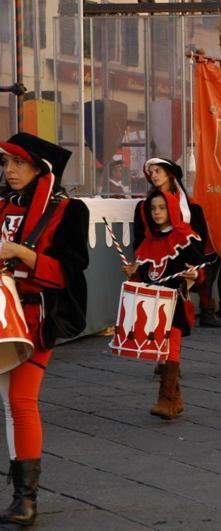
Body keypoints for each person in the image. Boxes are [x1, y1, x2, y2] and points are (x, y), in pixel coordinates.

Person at [0, 133, 89, 526]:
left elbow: (70, 272)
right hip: (1, 311)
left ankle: (26, 498)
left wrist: (21, 253)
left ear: (41, 169)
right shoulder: (1, 203)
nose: (9, 170)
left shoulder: (70, 210)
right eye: (6, 163)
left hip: (34, 317)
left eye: (18, 163)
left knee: (20, 402)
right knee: (9, 405)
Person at [123, 190, 203, 420]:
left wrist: (194, 274)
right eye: (153, 209)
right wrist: (133, 272)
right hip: (153, 303)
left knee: (171, 347)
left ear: (171, 209)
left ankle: (166, 399)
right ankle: (174, 399)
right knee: (161, 348)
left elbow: (199, 269)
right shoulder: (148, 241)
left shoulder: (185, 236)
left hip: (175, 300)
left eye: (161, 208)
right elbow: (146, 275)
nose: (157, 213)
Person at [132, 158, 221, 329]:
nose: (153, 175)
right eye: (151, 172)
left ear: (169, 174)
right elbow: (140, 237)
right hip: (158, 255)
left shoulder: (190, 206)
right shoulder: (145, 207)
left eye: (157, 171)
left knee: (200, 272)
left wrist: (189, 250)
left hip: (184, 253)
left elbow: (200, 235)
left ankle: (206, 311)